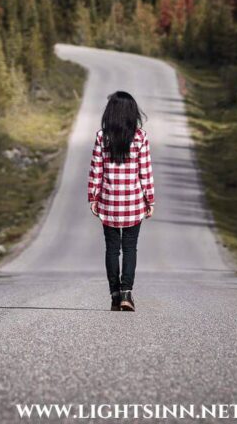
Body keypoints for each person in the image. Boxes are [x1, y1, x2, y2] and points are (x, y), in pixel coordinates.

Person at [87, 90, 155, 311]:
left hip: (109, 201)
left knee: (111, 249)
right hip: (134, 202)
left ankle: (115, 295)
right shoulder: (140, 137)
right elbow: (145, 171)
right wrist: (150, 200)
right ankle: (127, 293)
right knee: (130, 248)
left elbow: (96, 170)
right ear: (131, 113)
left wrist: (93, 197)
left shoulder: (102, 137)